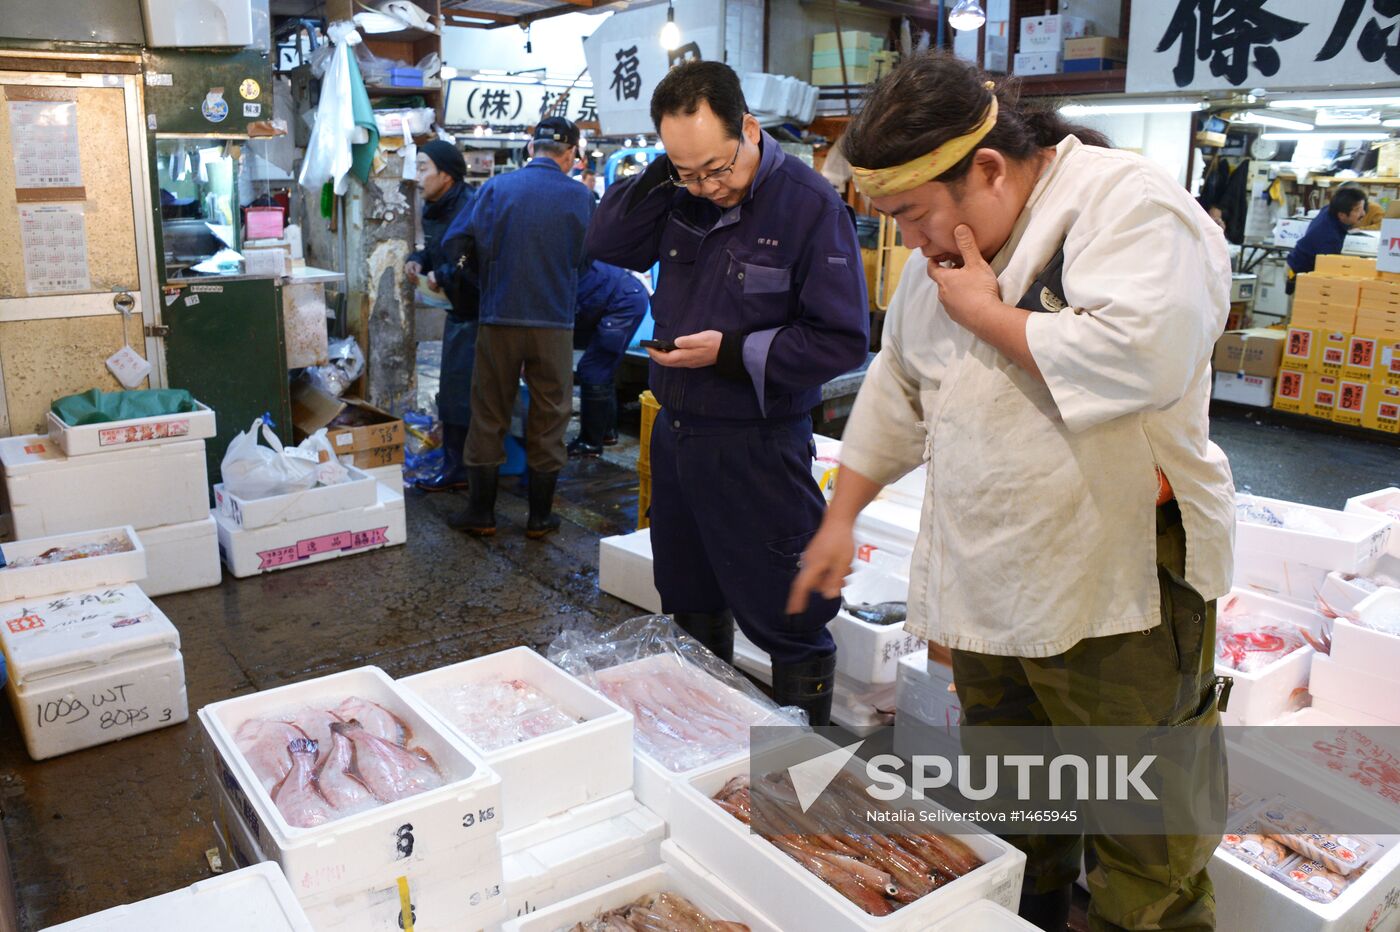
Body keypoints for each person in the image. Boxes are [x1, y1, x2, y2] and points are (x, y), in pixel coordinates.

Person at [788, 53, 1235, 930]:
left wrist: (989, 314)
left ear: (989, 169)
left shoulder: (1128, 205)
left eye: (913, 214)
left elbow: (1148, 353)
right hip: (996, 577)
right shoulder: (943, 255)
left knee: (1145, 831)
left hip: (1121, 586)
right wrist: (842, 514)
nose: (910, 241)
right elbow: (899, 385)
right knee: (1012, 806)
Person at [586, 61, 869, 725]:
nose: (708, 187)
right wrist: (671, 172)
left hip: (758, 445)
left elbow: (841, 341)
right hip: (677, 437)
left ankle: (800, 773)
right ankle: (705, 750)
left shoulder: (808, 206)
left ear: (749, 126)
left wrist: (734, 351)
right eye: (688, 171)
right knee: (689, 600)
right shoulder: (681, 191)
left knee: (788, 611)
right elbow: (607, 241)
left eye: (717, 167)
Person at [441, 116, 594, 538]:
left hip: (498, 319)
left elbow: (456, 243)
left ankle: (481, 513)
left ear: (531, 149)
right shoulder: (580, 198)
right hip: (555, 324)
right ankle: (540, 518)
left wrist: (481, 282)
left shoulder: (495, 189)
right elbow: (589, 257)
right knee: (551, 416)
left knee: (489, 413)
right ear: (570, 155)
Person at [406, 140, 478, 493]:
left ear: (446, 175)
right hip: (456, 310)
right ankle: (455, 463)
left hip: (478, 314)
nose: (417, 177)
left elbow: (471, 257)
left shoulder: (469, 207)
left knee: (462, 393)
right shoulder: (434, 206)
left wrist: (446, 273)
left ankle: (463, 468)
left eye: (423, 168)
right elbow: (439, 251)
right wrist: (420, 259)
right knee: (452, 390)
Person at [568, 260, 649, 457]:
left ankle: (590, 443)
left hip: (624, 301)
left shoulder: (558, 270)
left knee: (593, 369)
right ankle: (606, 433)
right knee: (602, 367)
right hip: (621, 297)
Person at [1287, 184, 1368, 282]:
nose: (1363, 213)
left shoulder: (1332, 209)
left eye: (1362, 208)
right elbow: (1328, 274)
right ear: (1342, 215)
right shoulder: (1328, 238)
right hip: (1299, 273)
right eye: (1357, 210)